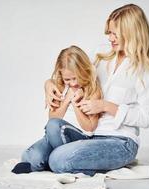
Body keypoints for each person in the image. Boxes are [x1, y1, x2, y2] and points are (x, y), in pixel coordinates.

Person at [42, 4, 149, 176]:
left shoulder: (145, 72)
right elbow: (74, 74)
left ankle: (77, 162)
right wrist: (49, 83)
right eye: (109, 33)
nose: (110, 38)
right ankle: (79, 160)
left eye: (115, 34)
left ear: (132, 34)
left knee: (57, 160)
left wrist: (106, 106)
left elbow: (145, 118)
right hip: (88, 135)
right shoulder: (101, 55)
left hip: (120, 142)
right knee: (33, 157)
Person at [11, 45, 102, 174]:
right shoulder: (59, 87)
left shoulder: (92, 89)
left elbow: (90, 128)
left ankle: (62, 161)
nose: (72, 83)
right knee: (30, 157)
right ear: (60, 74)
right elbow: (52, 117)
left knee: (53, 126)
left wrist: (76, 103)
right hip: (55, 135)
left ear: (84, 71)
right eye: (67, 79)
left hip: (79, 137)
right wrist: (67, 98)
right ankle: (55, 161)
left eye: (76, 78)